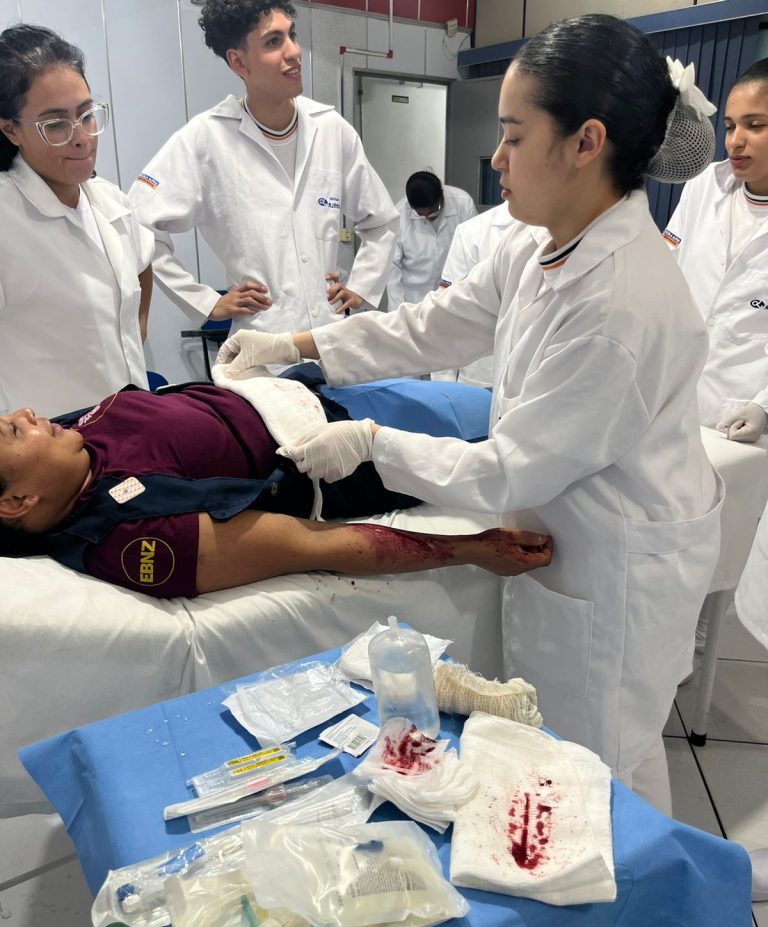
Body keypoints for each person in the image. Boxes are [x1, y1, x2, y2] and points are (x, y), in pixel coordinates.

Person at [216, 15, 723, 814]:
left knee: (607, 773)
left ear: (585, 142)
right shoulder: (541, 243)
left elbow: (508, 467)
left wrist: (371, 443)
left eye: (514, 136)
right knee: (568, 755)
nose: (495, 160)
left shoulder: (619, 302)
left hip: (619, 561)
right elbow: (432, 325)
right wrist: (298, 343)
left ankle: (655, 918)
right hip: (569, 530)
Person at [0, 379, 551, 599]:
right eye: (13, 431)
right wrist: (470, 550)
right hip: (349, 451)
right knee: (532, 433)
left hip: (303, 389)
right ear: (16, 502)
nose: (27, 413)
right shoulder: (132, 535)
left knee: (499, 390)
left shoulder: (70, 440)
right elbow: (312, 545)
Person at [128, 0, 397, 340]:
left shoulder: (330, 129)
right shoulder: (205, 140)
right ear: (238, 61)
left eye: (292, 36)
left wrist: (362, 285)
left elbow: (382, 219)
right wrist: (206, 302)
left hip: (331, 337)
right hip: (263, 342)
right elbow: (137, 224)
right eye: (274, 42)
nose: (294, 52)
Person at [0, 24, 154, 418]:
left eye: (86, 115)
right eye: (55, 125)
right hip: (52, 452)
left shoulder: (109, 202)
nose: (82, 137)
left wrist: (133, 335)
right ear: (10, 129)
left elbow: (142, 265)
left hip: (126, 437)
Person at [664, 58, 768, 444]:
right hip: (676, 398)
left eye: (755, 126)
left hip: (747, 421)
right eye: (729, 126)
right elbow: (667, 269)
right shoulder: (704, 185)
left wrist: (764, 405)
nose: (735, 141)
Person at [433, 201, 539, 387]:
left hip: (538, 380)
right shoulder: (473, 232)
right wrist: (444, 388)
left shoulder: (571, 232)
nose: (499, 169)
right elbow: (448, 318)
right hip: (480, 378)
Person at [387, 170, 476, 309]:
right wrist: (398, 310)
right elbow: (392, 268)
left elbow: (473, 254)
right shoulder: (399, 214)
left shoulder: (463, 204)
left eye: (434, 211)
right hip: (413, 300)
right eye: (421, 215)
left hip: (454, 296)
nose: (428, 218)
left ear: (441, 196)